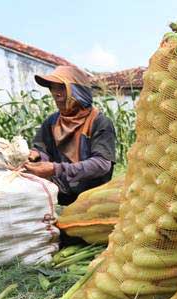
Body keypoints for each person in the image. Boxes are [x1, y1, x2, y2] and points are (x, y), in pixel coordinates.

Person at [24, 65, 116, 205]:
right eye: (53, 88)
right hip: (60, 195)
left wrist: (56, 169)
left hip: (92, 198)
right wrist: (35, 154)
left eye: (61, 87)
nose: (56, 93)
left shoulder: (99, 122)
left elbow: (102, 164)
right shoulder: (52, 122)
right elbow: (43, 150)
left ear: (78, 91)